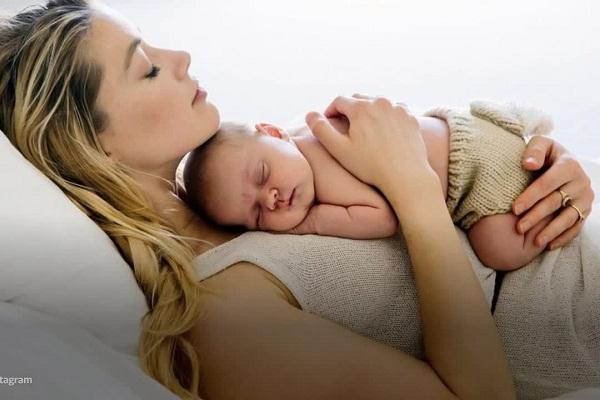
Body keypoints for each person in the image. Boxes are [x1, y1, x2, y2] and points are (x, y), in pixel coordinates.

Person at [0, 1, 594, 399]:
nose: (180, 58)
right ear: (94, 147)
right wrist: (411, 188)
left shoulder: (247, 178)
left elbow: (443, 156)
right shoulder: (224, 323)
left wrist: (532, 163)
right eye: (148, 68)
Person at [182, 101, 557, 271]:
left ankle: (551, 219)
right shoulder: (307, 132)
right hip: (462, 128)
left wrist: (312, 222)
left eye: (263, 175)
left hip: (474, 167)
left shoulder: (321, 161)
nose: (272, 199)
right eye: (256, 214)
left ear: (274, 132)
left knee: (499, 251)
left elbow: (382, 218)